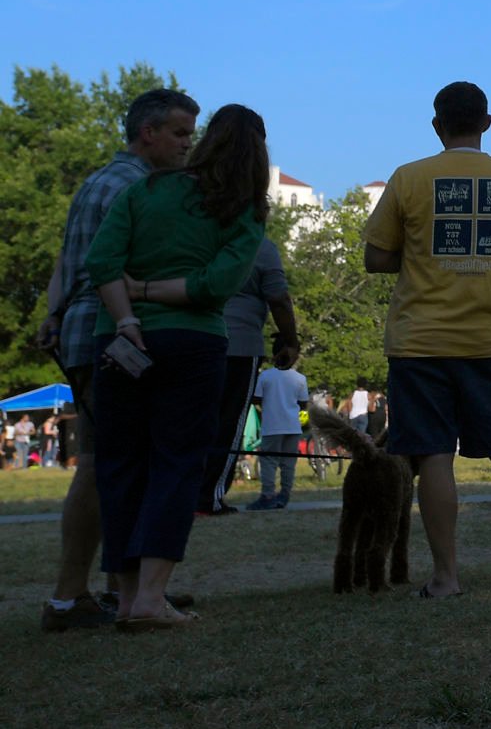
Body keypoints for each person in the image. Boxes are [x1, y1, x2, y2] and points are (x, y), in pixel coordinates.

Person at [363, 81, 491, 596]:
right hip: (490, 340)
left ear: (436, 125)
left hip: (418, 343)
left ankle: (446, 577)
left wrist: (427, 256)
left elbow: (375, 257)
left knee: (432, 457)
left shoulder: (408, 178)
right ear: (487, 123)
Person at [84, 103, 269, 629]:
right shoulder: (245, 210)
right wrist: (155, 293)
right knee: (177, 464)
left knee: (119, 466)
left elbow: (101, 262)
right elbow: (215, 286)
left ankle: (121, 598)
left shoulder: (145, 190)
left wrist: (127, 315)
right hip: (193, 343)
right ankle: (149, 597)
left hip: (119, 343)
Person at [36, 87, 198, 632]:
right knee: (105, 464)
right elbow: (113, 268)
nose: (187, 145)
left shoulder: (97, 181)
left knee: (115, 462)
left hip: (83, 329)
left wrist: (54, 317)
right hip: (111, 333)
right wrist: (131, 322)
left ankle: (118, 586)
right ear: (148, 132)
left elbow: (67, 260)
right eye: (179, 133)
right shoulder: (136, 187)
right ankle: (69, 596)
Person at [200, 235, 297, 516]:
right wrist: (291, 340)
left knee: (192, 420)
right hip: (240, 345)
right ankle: (209, 497)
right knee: (228, 423)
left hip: (195, 338)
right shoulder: (260, 246)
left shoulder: (197, 237)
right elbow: (278, 297)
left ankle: (181, 492)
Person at [246, 343, 310, 510]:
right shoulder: (300, 378)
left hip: (272, 425)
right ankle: (284, 495)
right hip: (293, 426)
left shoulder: (266, 376)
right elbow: (303, 403)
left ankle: (268, 495)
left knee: (268, 461)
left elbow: (256, 399)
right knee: (288, 463)